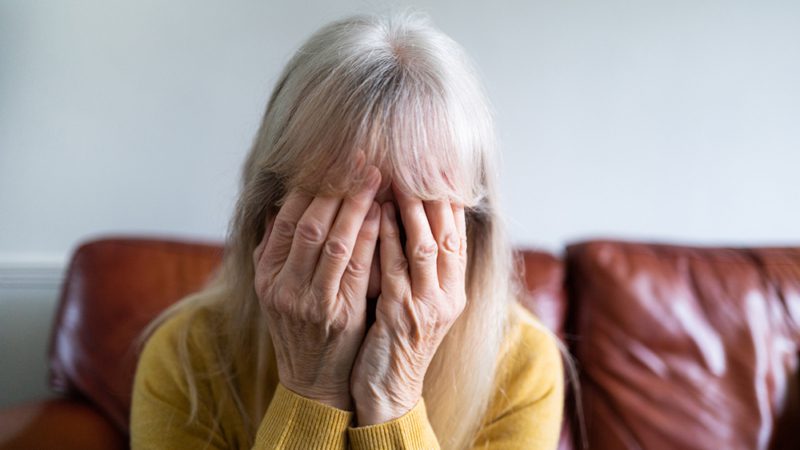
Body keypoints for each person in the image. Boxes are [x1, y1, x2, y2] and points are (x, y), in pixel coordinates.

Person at [130, 11, 565, 450]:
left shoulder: (522, 364)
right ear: (271, 215)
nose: (363, 249)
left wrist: (392, 397)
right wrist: (309, 390)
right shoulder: (185, 356)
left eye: (410, 214)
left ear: (468, 230)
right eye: (342, 209)